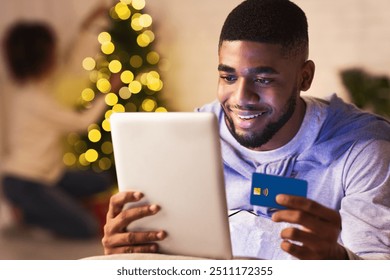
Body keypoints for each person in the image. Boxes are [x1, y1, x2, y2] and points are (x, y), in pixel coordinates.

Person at [101, 0, 390, 259]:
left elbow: (378, 265)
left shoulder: (362, 148)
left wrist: (337, 262)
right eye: (228, 76)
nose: (241, 98)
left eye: (263, 80)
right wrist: (126, 253)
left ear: (305, 77)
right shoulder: (193, 139)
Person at [1, 20, 115, 239]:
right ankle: (26, 213)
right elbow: (83, 123)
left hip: (50, 175)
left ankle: (56, 203)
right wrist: (109, 92)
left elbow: (68, 59)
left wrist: (87, 27)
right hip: (25, 181)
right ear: (42, 58)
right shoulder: (33, 100)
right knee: (86, 227)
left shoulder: (35, 88)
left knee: (101, 180)